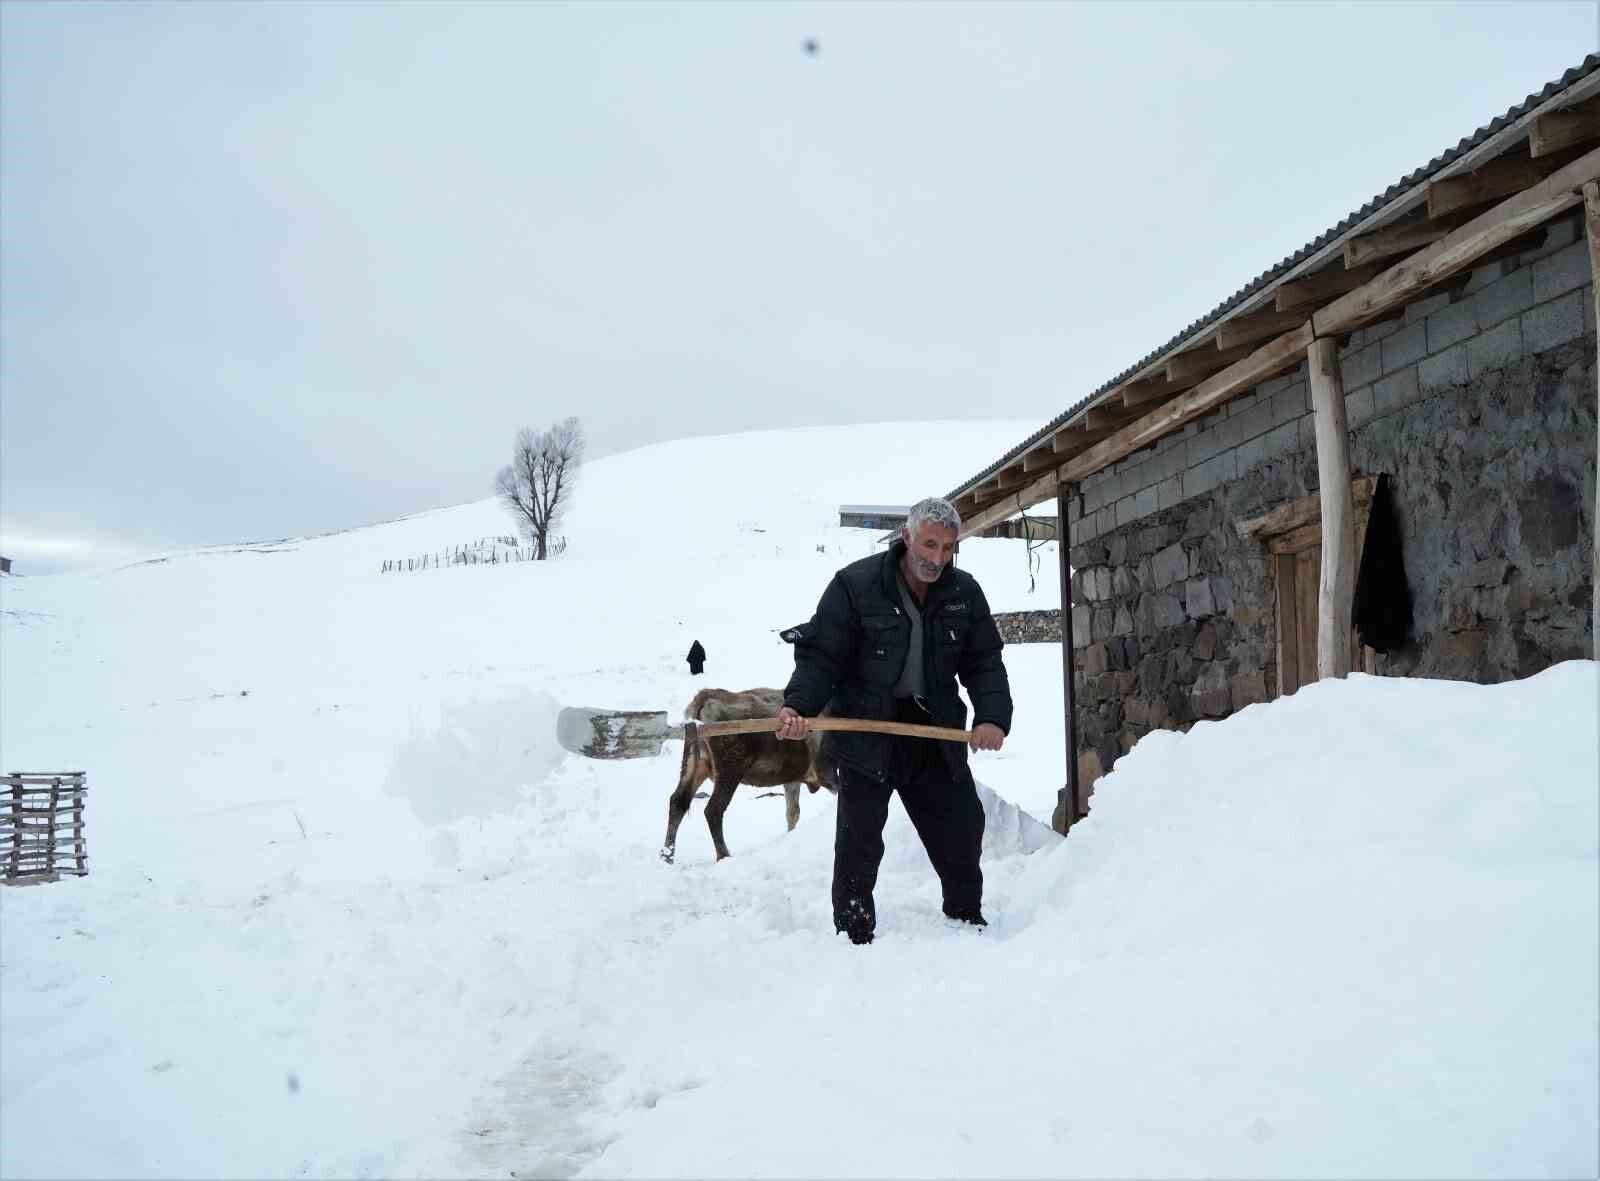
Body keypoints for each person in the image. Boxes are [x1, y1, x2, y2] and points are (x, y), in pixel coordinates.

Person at [776, 496, 1012, 945]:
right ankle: (853, 931)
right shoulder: (856, 586)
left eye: (947, 548)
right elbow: (822, 655)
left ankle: (965, 917)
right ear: (906, 537)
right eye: (929, 545)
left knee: (962, 826)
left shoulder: (964, 594)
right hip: (868, 729)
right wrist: (799, 707)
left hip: (933, 729)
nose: (937, 558)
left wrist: (993, 718)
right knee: (858, 839)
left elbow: (984, 662)